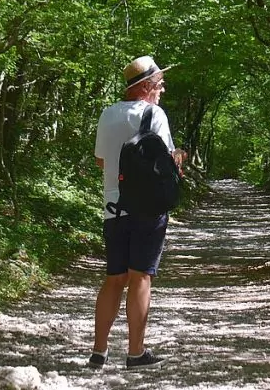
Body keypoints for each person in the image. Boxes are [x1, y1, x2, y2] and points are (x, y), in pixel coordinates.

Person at [88, 55, 186, 370]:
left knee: (114, 278)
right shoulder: (154, 114)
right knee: (140, 276)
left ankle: (98, 353)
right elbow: (167, 163)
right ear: (145, 87)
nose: (163, 89)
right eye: (159, 83)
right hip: (147, 207)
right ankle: (135, 353)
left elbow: (102, 162)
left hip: (113, 207)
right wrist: (179, 158)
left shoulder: (106, 114)